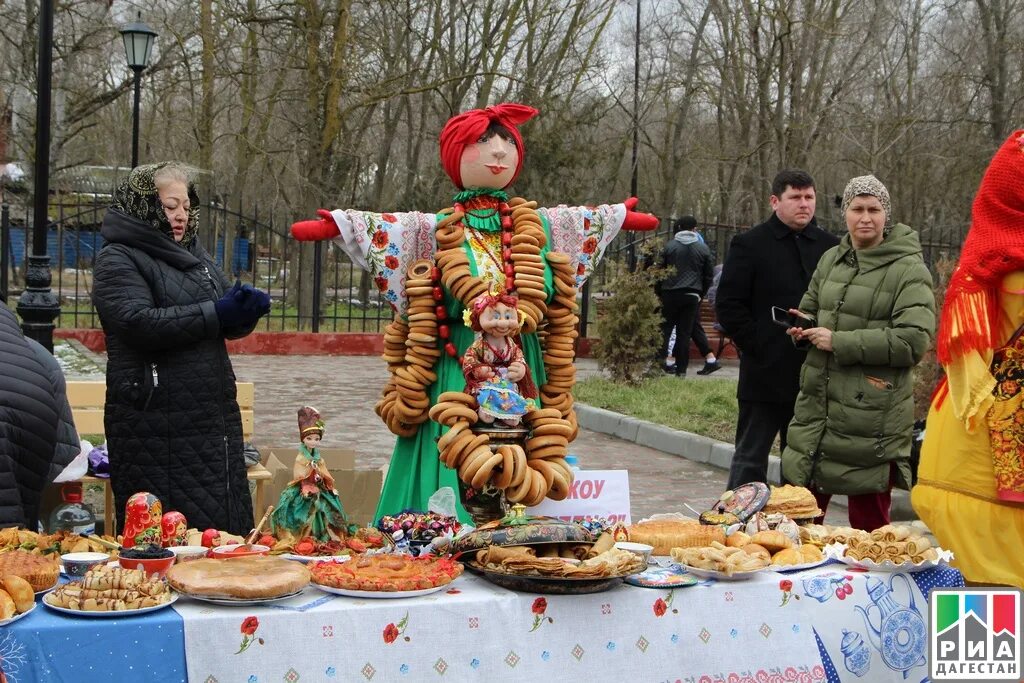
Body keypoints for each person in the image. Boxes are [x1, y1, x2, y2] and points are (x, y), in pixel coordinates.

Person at [290, 103, 658, 522]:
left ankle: (519, 528)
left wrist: (618, 217)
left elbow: (580, 222)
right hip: (458, 363)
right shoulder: (433, 230)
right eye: (484, 141)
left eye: (507, 142)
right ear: (455, 154)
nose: (499, 152)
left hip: (522, 365)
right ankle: (441, 529)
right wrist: (338, 226)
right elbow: (384, 228)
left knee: (528, 448)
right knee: (454, 440)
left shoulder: (536, 225)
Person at [92, 162, 271, 536]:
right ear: (146, 204)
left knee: (220, 533)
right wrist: (216, 313)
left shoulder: (196, 256)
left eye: (186, 208)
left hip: (209, 420)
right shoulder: (118, 257)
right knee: (165, 538)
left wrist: (244, 313)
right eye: (171, 206)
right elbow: (136, 322)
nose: (180, 216)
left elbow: (220, 316)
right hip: (154, 424)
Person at [781, 175, 935, 530]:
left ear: (886, 215)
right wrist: (802, 329)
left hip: (872, 420)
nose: (865, 218)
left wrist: (840, 341)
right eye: (857, 209)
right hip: (817, 410)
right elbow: (812, 307)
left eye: (874, 209)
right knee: (797, 527)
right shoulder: (832, 259)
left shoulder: (909, 269)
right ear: (845, 214)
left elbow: (912, 342)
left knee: (870, 536)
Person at [912, 131, 1024, 585]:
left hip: (960, 440)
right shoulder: (1010, 265)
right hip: (991, 460)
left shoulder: (982, 256)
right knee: (989, 596)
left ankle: (968, 655)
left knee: (969, 612)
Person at [715, 169, 839, 489]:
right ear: (775, 201)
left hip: (812, 374)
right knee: (749, 459)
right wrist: (758, 346)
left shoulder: (831, 248)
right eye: (795, 197)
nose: (803, 204)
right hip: (763, 375)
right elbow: (729, 305)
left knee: (801, 464)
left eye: (809, 197)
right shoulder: (750, 244)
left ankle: (797, 530)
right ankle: (738, 527)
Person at [0, 302, 79, 528]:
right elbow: (61, 449)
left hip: (26, 415)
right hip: (31, 419)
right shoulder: (31, 350)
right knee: (14, 542)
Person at [270, 407, 353, 543]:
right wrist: (308, 478)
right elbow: (299, 475)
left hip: (319, 486)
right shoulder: (301, 458)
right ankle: (302, 537)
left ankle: (327, 536)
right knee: (297, 508)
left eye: (316, 439)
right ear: (303, 439)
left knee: (331, 504)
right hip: (303, 488)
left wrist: (323, 479)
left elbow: (325, 472)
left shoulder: (319, 458)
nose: (313, 442)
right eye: (309, 438)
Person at [462, 292, 537, 426]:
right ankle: (486, 410)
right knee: (486, 407)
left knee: (511, 406)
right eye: (495, 316)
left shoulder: (511, 344)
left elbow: (518, 357)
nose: (503, 322)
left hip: (506, 380)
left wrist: (520, 369)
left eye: (508, 316)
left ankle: (508, 413)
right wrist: (477, 370)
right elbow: (469, 359)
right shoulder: (480, 345)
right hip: (487, 381)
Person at [656, 216, 718, 376]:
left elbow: (659, 272)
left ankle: (659, 365)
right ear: (694, 229)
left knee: (665, 330)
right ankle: (681, 371)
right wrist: (700, 293)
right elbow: (708, 275)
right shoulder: (703, 249)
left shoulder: (669, 247)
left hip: (669, 293)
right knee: (685, 333)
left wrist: (659, 291)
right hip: (692, 294)